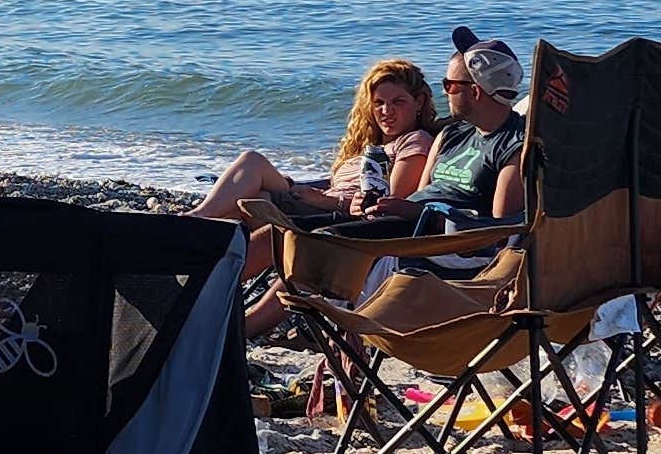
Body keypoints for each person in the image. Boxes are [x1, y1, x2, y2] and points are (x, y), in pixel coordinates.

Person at [188, 58, 440, 337]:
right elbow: (336, 183)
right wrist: (304, 189)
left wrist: (325, 201)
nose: (386, 111)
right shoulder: (373, 145)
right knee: (253, 180)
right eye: (379, 103)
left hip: (340, 220)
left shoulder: (414, 141)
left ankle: (200, 281)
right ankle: (196, 245)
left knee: (263, 198)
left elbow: (387, 204)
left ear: (419, 102)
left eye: (397, 102)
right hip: (317, 203)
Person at [363, 35, 529, 228]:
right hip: (405, 225)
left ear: (475, 91)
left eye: (449, 84)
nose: (444, 92)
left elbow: (496, 232)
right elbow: (420, 195)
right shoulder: (451, 134)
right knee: (322, 229)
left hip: (437, 243)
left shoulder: (514, 147)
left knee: (329, 238)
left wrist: (418, 214)